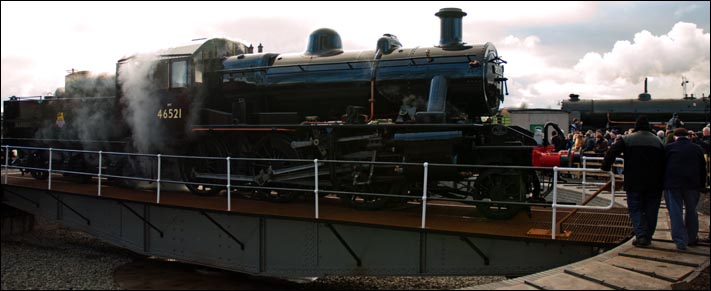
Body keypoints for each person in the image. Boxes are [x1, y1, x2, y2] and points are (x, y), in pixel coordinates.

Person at [601, 116, 665, 248]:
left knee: (635, 208)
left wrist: (605, 167)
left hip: (634, 180)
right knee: (652, 209)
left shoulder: (627, 139)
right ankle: (648, 236)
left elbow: (611, 152)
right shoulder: (658, 141)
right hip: (655, 182)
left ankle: (641, 235)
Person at [663, 127, 707, 250]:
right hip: (692, 184)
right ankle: (692, 238)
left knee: (675, 211)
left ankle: (680, 240)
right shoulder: (697, 148)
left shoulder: (669, 148)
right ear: (688, 136)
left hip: (673, 184)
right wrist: (702, 184)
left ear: (675, 137)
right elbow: (702, 168)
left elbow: (663, 166)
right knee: (692, 210)